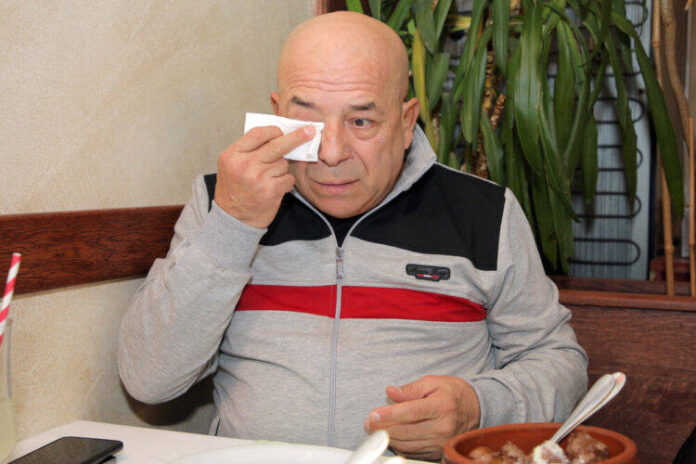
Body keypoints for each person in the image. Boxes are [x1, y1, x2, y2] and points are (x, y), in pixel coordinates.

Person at [118, 11, 588, 462]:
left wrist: (477, 407)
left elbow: (559, 363)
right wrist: (233, 225)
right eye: (308, 120)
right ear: (278, 114)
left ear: (406, 122)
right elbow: (150, 380)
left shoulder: (483, 212)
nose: (331, 153)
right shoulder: (223, 202)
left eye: (361, 121)